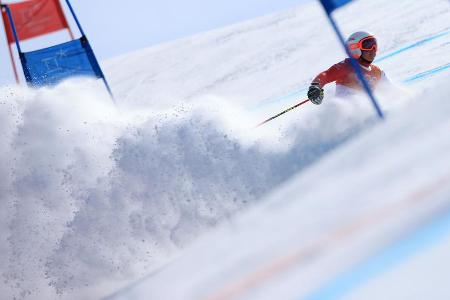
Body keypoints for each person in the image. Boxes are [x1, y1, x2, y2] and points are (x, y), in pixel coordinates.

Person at [307, 31, 389, 105]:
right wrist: (315, 87)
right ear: (354, 48)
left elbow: (393, 91)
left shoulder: (377, 72)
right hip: (347, 115)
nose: (373, 49)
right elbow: (326, 75)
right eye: (368, 45)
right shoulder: (347, 66)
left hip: (369, 113)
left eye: (375, 45)